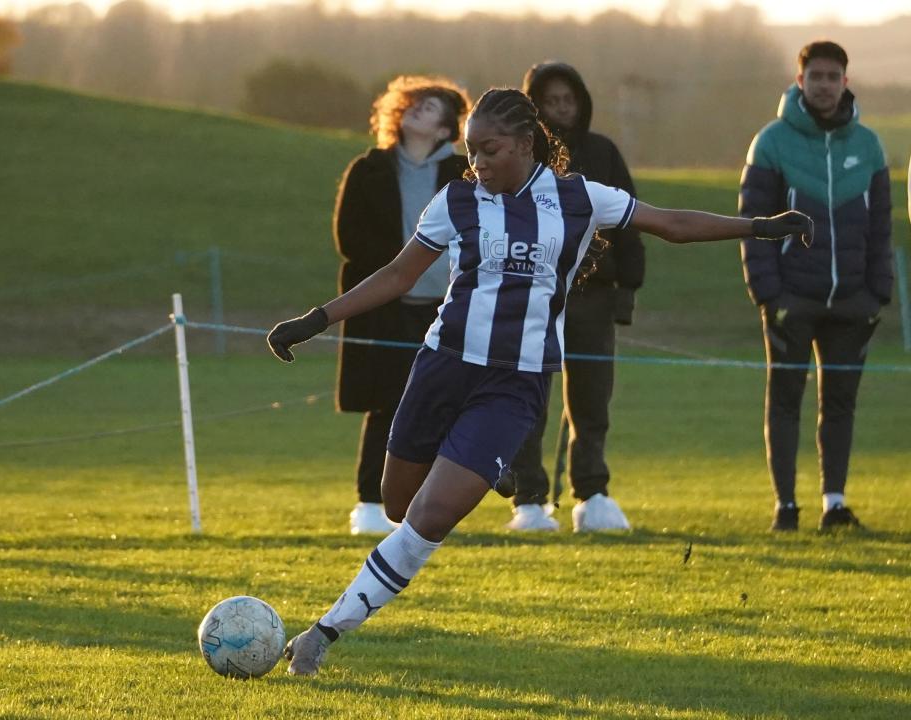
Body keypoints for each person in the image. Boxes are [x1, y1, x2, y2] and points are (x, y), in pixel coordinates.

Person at [267, 88, 812, 676]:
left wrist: (760, 226)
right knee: (398, 505)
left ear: (526, 144)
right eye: (471, 150)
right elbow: (399, 276)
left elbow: (671, 223)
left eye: (490, 149)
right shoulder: (456, 200)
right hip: (441, 368)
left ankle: (324, 632)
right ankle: (490, 466)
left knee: (429, 519)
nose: (477, 163)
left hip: (516, 383)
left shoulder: (579, 198)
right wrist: (315, 320)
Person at [740, 40, 893, 532]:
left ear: (846, 82)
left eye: (833, 77)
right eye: (816, 76)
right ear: (799, 80)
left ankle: (834, 504)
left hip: (853, 302)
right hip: (791, 300)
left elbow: (882, 228)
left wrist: (877, 296)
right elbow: (753, 225)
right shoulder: (770, 142)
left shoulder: (868, 146)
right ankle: (786, 507)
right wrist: (769, 295)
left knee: (840, 404)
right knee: (785, 400)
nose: (824, 85)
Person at [505, 61, 646, 533]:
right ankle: (529, 500)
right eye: (552, 101)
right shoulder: (520, 157)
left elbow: (629, 222)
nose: (562, 109)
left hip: (594, 295)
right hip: (535, 293)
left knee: (591, 400)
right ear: (534, 107)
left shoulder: (603, 153)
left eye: (569, 100)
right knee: (530, 397)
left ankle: (593, 492)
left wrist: (627, 287)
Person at [333, 76, 470, 535]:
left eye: (430, 108)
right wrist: (397, 272)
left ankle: (427, 505)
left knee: (443, 404)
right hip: (387, 308)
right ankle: (370, 504)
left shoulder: (465, 176)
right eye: (413, 103)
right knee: (386, 403)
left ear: (446, 128)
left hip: (450, 309)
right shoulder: (368, 169)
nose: (417, 110)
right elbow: (350, 239)